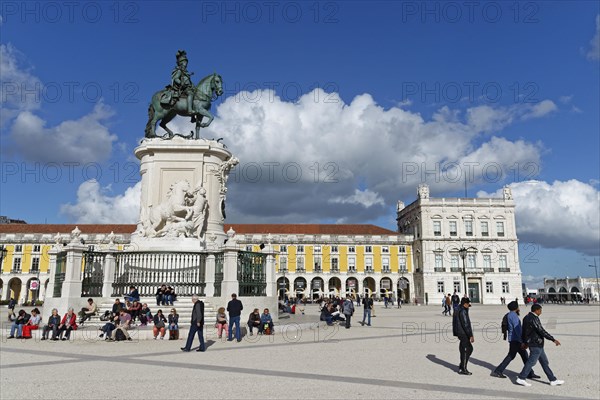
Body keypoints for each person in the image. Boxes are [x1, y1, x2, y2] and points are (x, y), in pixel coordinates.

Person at [516, 304, 563, 387]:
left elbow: (524, 331)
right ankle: (521, 378)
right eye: (540, 310)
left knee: (544, 362)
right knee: (531, 362)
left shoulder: (526, 317)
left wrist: (525, 342)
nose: (541, 312)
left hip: (536, 344)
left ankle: (552, 379)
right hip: (536, 344)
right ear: (536, 310)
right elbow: (541, 330)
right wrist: (553, 339)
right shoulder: (534, 318)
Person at [492, 301, 540, 379]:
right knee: (511, 356)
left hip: (514, 339)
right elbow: (517, 329)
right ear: (516, 308)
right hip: (516, 340)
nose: (519, 308)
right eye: (518, 307)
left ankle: (530, 373)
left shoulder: (510, 314)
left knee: (524, 356)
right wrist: (521, 341)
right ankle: (498, 371)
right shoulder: (513, 316)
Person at [453, 297, 474, 375]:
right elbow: (466, 324)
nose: (469, 306)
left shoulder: (459, 309)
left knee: (467, 349)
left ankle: (462, 365)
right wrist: (470, 335)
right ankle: (463, 368)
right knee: (466, 350)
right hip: (463, 333)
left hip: (460, 332)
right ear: (465, 304)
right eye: (468, 304)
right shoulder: (462, 311)